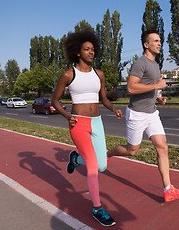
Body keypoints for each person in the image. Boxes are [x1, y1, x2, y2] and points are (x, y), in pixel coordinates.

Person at [107, 29, 179, 202]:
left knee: (162, 147)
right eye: (156, 41)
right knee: (132, 150)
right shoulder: (140, 63)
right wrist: (156, 85)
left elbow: (151, 85)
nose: (159, 44)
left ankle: (168, 189)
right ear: (146, 44)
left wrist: (158, 97)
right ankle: (107, 154)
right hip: (137, 114)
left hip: (152, 114)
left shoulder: (156, 64)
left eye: (160, 41)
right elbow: (131, 88)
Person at [52, 29, 122, 227]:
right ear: (77, 52)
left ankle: (75, 158)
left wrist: (113, 109)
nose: (91, 52)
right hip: (79, 123)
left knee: (102, 166)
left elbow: (104, 99)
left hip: (97, 122)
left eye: (93, 49)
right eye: (87, 49)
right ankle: (97, 208)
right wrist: (67, 116)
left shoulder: (99, 74)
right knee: (92, 168)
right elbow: (55, 101)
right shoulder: (68, 74)